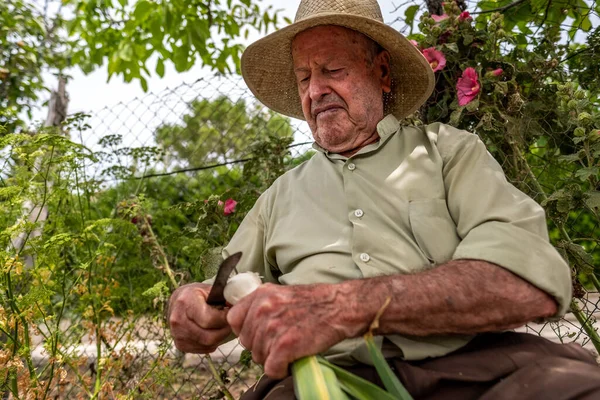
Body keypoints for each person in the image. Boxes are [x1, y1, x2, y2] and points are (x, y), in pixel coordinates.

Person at [168, 0, 600, 398]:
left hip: (475, 369)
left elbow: (525, 280)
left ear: (383, 73)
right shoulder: (280, 195)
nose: (314, 91)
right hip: (322, 380)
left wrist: (339, 307)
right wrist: (192, 305)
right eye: (304, 78)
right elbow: (219, 293)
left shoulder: (448, 153)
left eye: (332, 69)